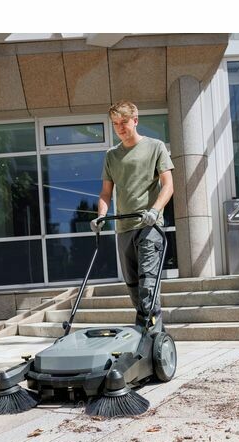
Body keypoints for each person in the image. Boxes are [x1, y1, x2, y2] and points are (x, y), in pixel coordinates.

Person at [91, 100, 174, 330]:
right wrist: (101, 216)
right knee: (133, 287)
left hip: (149, 226)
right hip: (124, 228)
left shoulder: (155, 147)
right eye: (115, 123)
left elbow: (168, 185)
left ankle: (149, 335)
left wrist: (155, 211)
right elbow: (106, 193)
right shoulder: (111, 155)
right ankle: (152, 333)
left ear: (135, 120)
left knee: (148, 284)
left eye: (124, 122)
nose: (120, 127)